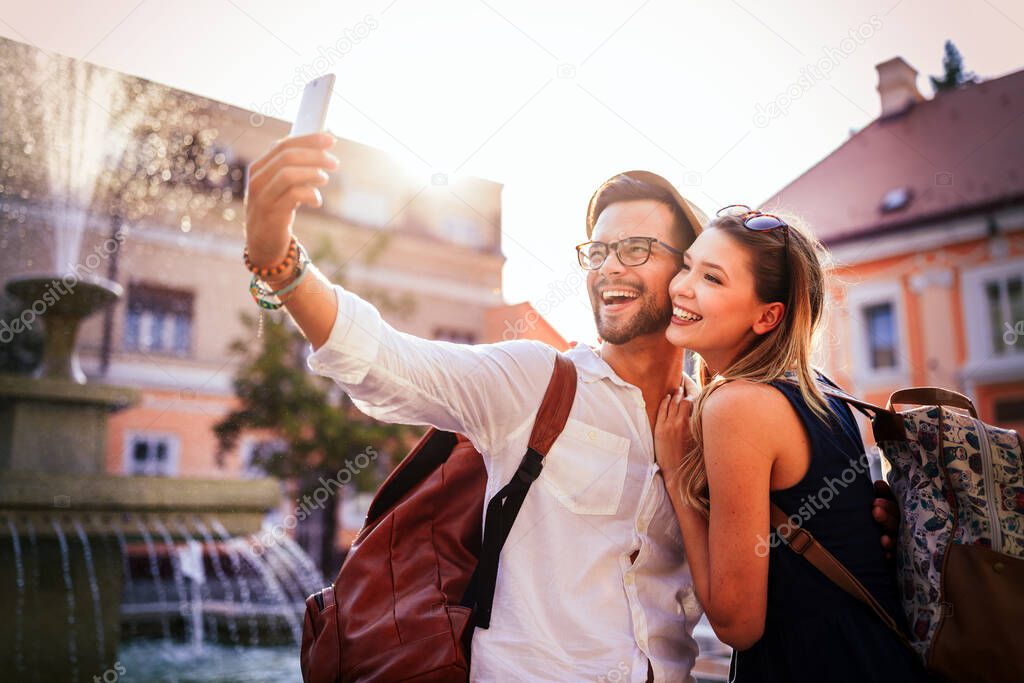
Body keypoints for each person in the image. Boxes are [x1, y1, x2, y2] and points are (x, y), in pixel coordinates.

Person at [243, 133, 898, 682]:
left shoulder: (718, 422)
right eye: (598, 250)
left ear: (685, 274)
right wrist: (279, 262)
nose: (608, 267)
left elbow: (771, 573)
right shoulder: (534, 379)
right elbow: (385, 360)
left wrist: (876, 519)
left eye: (636, 249)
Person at [652, 206, 927, 682]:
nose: (681, 285)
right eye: (688, 265)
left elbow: (738, 623)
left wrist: (677, 477)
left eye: (713, 279)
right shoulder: (818, 390)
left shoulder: (738, 405)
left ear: (768, 316)